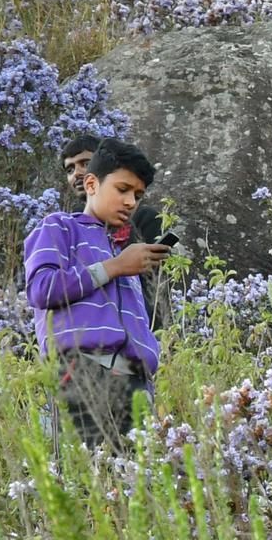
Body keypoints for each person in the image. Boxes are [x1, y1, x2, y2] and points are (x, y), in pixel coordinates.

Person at [25, 139, 170, 448]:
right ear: (91, 184)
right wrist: (114, 267)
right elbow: (41, 288)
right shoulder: (59, 227)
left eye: (138, 195)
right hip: (81, 372)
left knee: (135, 487)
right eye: (122, 189)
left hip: (136, 384)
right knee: (90, 482)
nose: (131, 202)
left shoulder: (124, 250)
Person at [61, 134, 170, 330]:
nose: (77, 173)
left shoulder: (145, 220)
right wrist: (117, 265)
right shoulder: (62, 228)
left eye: (85, 163)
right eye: (70, 169)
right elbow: (47, 289)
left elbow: (155, 286)